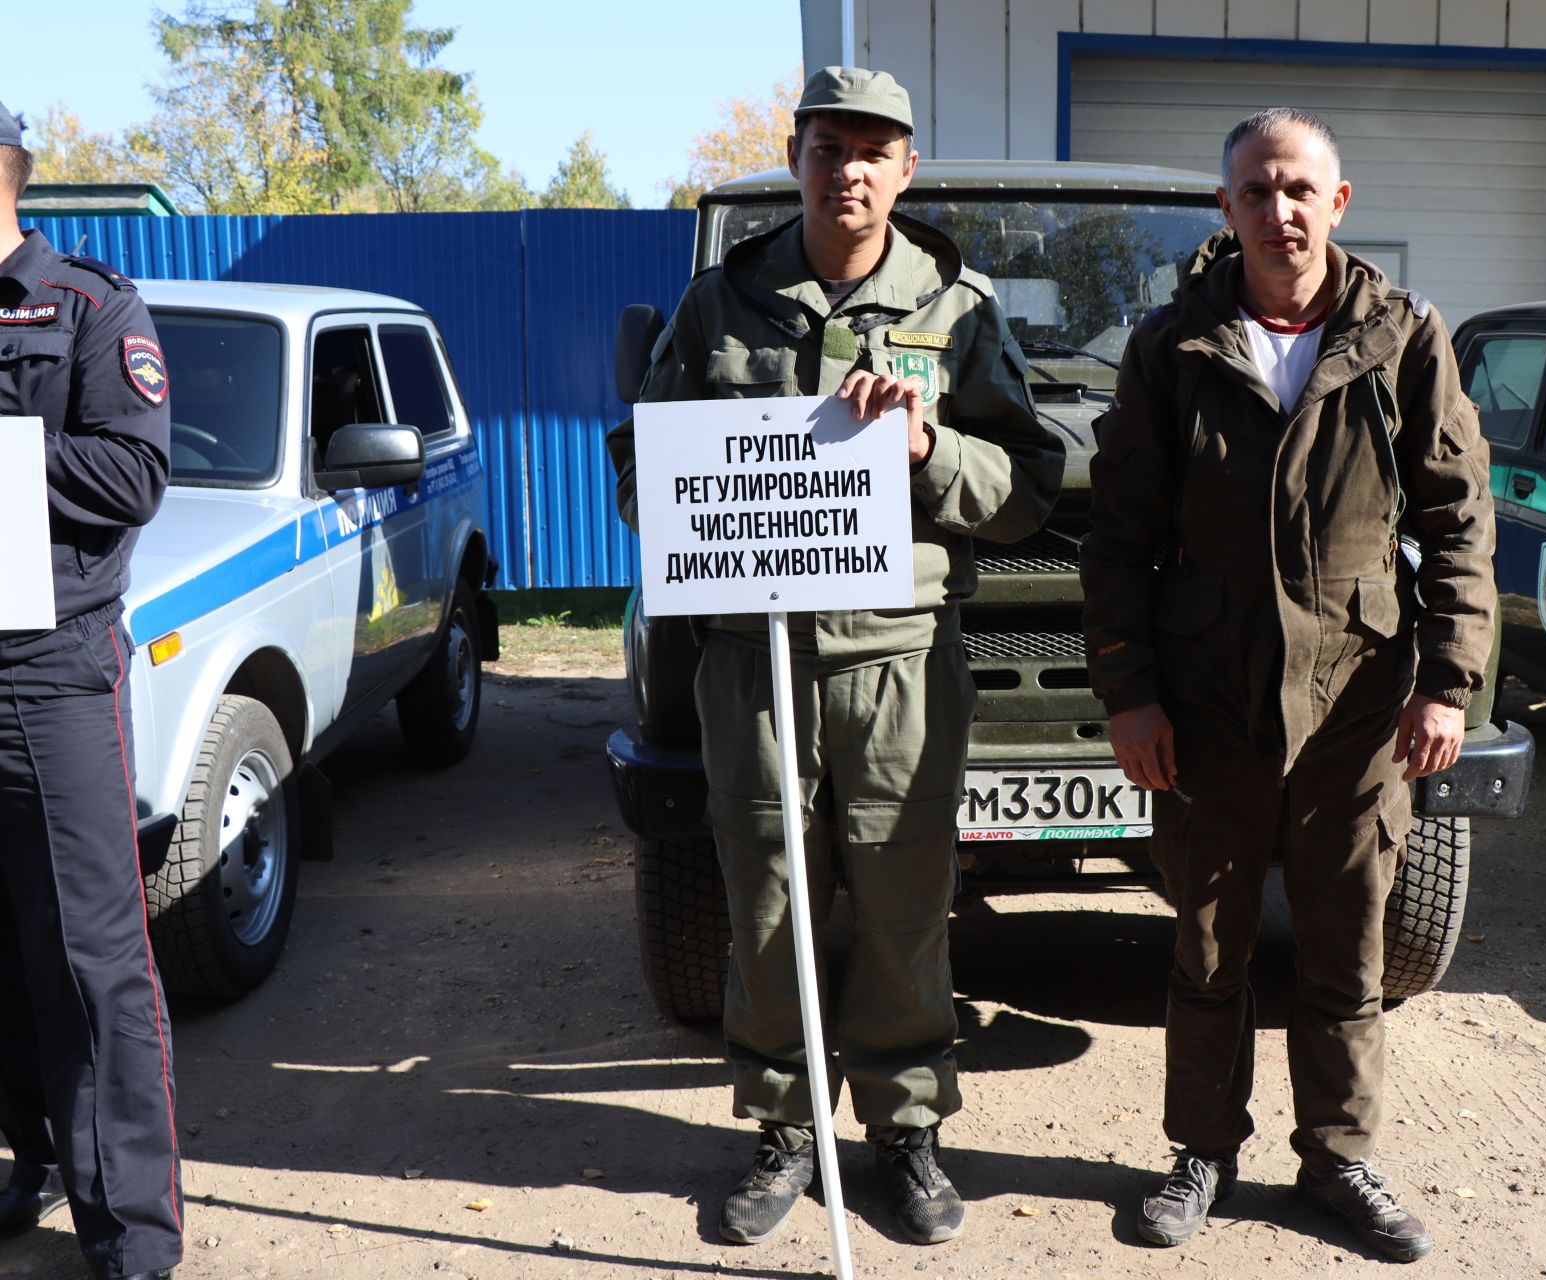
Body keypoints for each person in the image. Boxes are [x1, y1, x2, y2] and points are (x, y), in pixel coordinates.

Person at [608, 66, 1062, 1247]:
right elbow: (636, 476)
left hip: (898, 656)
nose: (850, 168)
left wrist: (926, 446)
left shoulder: (955, 310)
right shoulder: (721, 304)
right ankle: (783, 1128)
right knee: (766, 895)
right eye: (829, 145)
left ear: (906, 169)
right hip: (751, 657)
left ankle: (905, 1130)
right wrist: (683, 495)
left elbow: (1024, 494)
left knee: (907, 897)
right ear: (798, 154)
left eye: (876, 149)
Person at [1079, 107, 1495, 1263]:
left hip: (1359, 698)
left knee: (1346, 944)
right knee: (1206, 944)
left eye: (1299, 189)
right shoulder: (1172, 348)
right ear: (1228, 209)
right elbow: (1117, 539)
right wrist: (1129, 692)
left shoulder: (1404, 335)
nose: (1279, 210)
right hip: (1206, 700)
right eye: (1256, 191)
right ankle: (1201, 1149)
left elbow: (1461, 521)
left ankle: (1338, 1155)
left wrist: (1449, 681)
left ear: (1339, 202)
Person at [0, 102, 181, 1280]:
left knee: (89, 949)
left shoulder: (85, 304)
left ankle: (131, 1230)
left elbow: (134, 468)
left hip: (44, 669)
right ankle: (37, 1157)